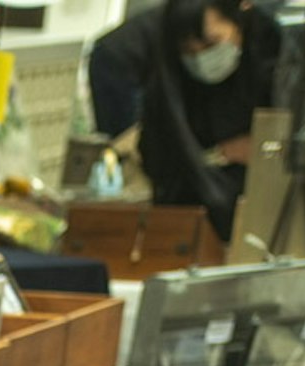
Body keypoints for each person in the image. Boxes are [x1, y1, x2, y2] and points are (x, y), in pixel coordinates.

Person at [86, 0, 284, 224]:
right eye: (189, 50)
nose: (201, 57)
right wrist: (217, 155)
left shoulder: (273, 47)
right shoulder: (164, 78)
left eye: (212, 43)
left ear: (238, 22)